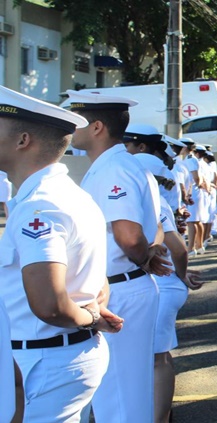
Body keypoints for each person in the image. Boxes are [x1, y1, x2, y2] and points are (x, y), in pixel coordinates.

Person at [0, 85, 124, 421]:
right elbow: (97, 281)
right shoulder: (63, 193)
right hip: (56, 356)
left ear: (23, 140)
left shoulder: (39, 205)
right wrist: (93, 310)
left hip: (47, 360)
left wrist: (94, 319)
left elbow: (50, 305)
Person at [67, 89, 170, 423]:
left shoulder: (114, 168)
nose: (70, 127)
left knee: (121, 397)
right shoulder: (114, 164)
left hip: (121, 287)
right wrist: (144, 254)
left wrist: (141, 255)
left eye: (76, 119)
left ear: (96, 127)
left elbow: (128, 236)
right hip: (122, 282)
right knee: (117, 392)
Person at [123, 126, 203, 422]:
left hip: (161, 286)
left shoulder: (149, 206)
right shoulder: (159, 203)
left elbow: (178, 249)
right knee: (158, 358)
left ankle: (159, 417)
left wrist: (180, 276)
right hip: (166, 285)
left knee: (156, 360)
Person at [187, 144, 212, 255]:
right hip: (200, 191)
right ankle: (199, 245)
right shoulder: (201, 163)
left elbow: (197, 178)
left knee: (192, 221)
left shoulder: (192, 160)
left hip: (194, 191)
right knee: (197, 221)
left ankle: (191, 248)